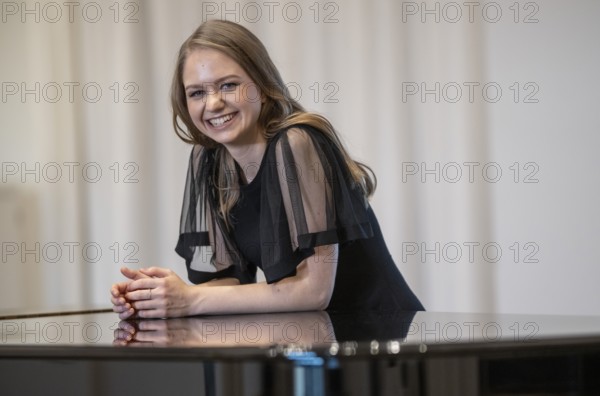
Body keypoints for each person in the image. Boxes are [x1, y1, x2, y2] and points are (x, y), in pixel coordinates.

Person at [111, 20, 423, 319]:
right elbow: (226, 284)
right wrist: (156, 298)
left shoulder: (297, 143)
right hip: (314, 343)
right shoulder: (206, 160)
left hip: (384, 339)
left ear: (261, 84)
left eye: (228, 85)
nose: (214, 103)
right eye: (197, 93)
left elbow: (314, 291)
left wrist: (190, 299)